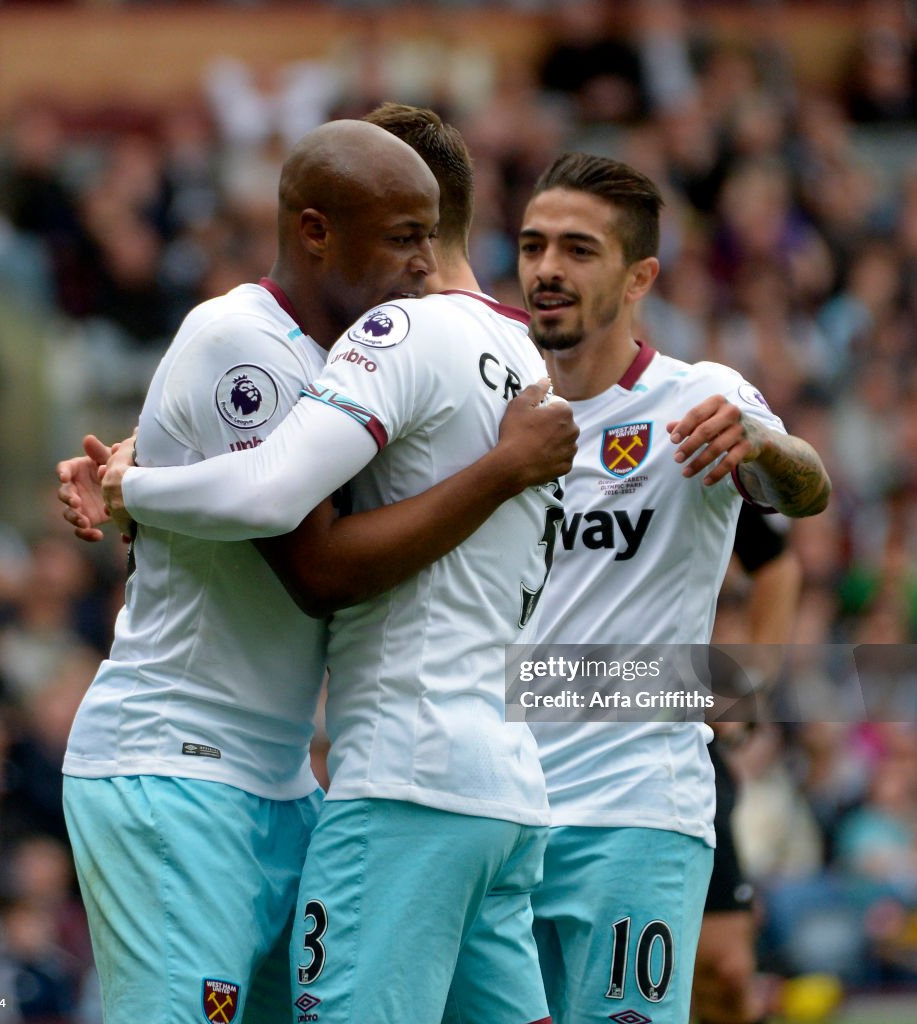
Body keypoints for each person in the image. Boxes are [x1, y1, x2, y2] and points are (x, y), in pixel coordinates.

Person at [56, 117, 577, 1024]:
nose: (423, 263)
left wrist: (137, 472)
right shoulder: (238, 338)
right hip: (177, 764)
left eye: (430, 234)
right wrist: (133, 482)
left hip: (286, 780)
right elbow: (316, 568)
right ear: (314, 231)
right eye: (401, 237)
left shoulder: (358, 360)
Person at [514, 152, 830, 1024]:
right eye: (533, 245)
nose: (547, 268)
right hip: (494, 808)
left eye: (578, 249)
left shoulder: (696, 400)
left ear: (638, 275)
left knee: (721, 975)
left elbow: (805, 494)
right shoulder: (489, 408)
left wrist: (764, 447)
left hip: (633, 807)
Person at [693, 505, 803, 1024]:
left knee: (725, 970)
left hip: (675, 738)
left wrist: (749, 685)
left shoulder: (681, 435)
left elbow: (777, 565)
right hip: (540, 726)